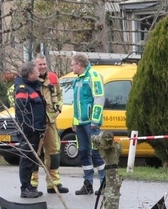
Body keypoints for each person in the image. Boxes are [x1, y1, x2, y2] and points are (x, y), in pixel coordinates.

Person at [31, 55, 68, 194]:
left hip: (51, 121)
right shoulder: (30, 79)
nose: (42, 67)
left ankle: (54, 184)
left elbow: (59, 94)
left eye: (44, 64)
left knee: (54, 152)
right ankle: (32, 184)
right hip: (35, 123)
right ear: (35, 66)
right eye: (40, 64)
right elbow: (14, 95)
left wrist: (59, 108)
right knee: (35, 152)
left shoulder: (53, 78)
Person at [69, 53, 105, 196]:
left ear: (79, 65)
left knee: (96, 152)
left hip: (91, 123)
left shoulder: (93, 76)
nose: (71, 67)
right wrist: (74, 120)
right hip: (80, 124)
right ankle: (88, 183)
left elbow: (99, 98)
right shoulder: (77, 80)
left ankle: (104, 183)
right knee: (83, 153)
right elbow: (76, 103)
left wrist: (95, 120)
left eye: (72, 64)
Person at [13, 61, 47, 199]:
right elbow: (22, 111)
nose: (39, 72)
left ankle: (29, 187)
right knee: (26, 159)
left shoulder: (33, 86)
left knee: (33, 159)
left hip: (36, 129)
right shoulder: (23, 88)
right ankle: (25, 187)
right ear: (29, 74)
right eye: (36, 71)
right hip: (28, 130)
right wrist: (27, 129)